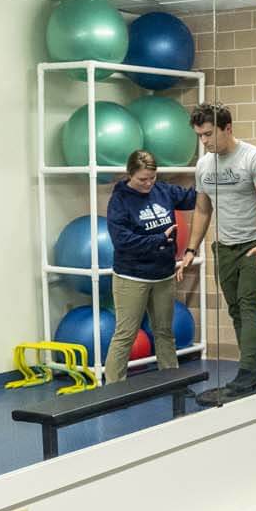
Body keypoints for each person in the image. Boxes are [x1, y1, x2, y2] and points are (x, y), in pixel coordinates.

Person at [179, 103, 256, 404]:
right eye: (200, 136)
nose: (205, 141)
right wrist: (190, 249)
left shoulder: (254, 158)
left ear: (228, 128)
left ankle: (247, 372)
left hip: (254, 244)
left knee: (249, 305)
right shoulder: (204, 166)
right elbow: (202, 209)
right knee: (235, 308)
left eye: (209, 134)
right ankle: (252, 373)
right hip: (224, 247)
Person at [103, 149, 200, 383]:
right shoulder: (120, 200)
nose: (148, 183)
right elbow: (122, 241)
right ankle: (113, 389)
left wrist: (212, 180)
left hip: (162, 276)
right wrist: (158, 240)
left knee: (165, 333)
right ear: (129, 175)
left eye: (152, 178)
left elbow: (193, 198)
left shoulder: (163, 190)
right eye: (142, 179)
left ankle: (172, 381)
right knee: (125, 334)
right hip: (132, 277)